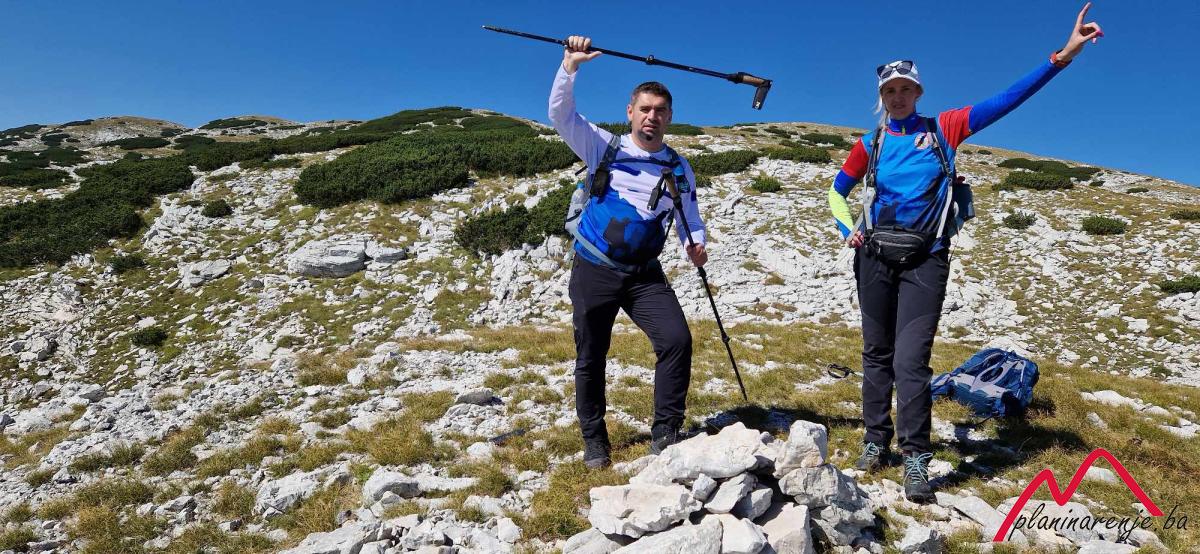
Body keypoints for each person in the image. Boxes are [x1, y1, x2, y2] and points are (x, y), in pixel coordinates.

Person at [827, 4, 1103, 502]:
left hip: (926, 259)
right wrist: (849, 230)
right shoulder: (870, 143)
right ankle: (874, 441)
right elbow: (835, 192)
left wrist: (1062, 57)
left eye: (905, 89)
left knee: (911, 361)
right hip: (874, 258)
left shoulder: (946, 128)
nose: (897, 97)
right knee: (875, 353)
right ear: (881, 97)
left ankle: (915, 458)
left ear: (918, 92)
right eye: (889, 91)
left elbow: (1006, 100)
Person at [549, 35, 709, 468]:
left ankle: (666, 432)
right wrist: (570, 67)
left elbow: (689, 216)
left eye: (660, 111)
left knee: (676, 340)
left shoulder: (678, 167)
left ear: (670, 117)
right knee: (591, 356)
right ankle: (594, 441)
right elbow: (560, 115)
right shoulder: (604, 147)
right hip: (595, 267)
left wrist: (695, 244)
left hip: (644, 274)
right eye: (645, 109)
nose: (651, 117)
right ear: (630, 112)